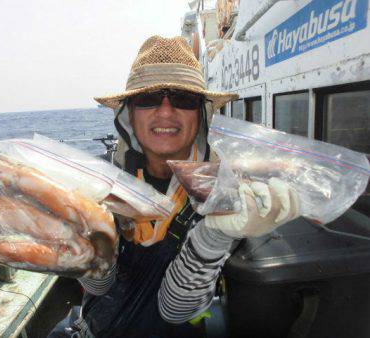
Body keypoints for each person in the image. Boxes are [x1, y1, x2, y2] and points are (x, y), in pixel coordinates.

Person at [48, 36, 299, 338]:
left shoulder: (225, 191)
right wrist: (80, 244)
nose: (166, 112)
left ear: (201, 113)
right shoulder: (101, 184)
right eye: (149, 98)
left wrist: (215, 234)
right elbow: (101, 287)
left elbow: (175, 311)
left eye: (183, 98)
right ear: (129, 114)